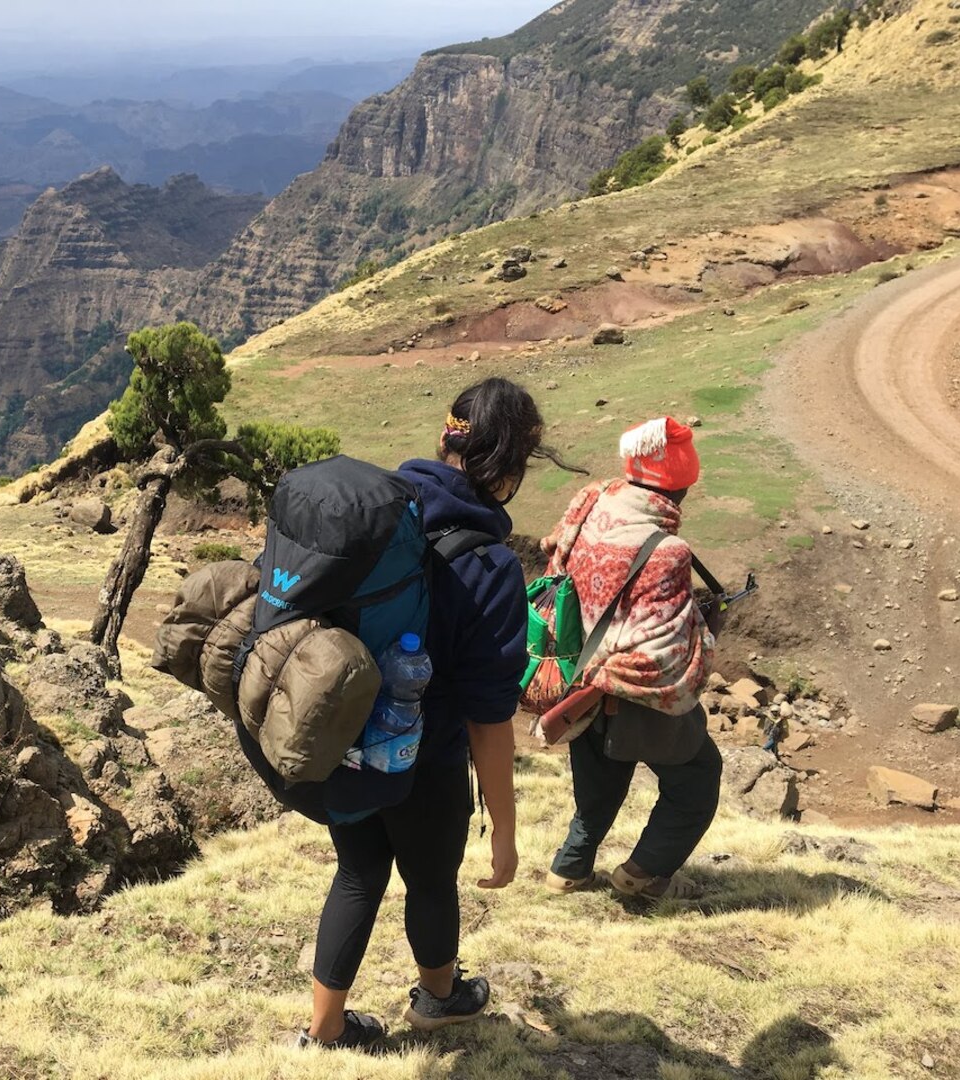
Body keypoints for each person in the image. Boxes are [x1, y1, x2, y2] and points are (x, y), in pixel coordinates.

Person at [299, 377, 568, 1051]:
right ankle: (440, 999)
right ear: (505, 470)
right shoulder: (491, 565)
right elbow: (488, 718)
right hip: (427, 760)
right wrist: (505, 831)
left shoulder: (379, 515)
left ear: (446, 440)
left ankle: (324, 1030)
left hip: (345, 739)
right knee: (430, 881)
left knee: (358, 873)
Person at [541, 416, 722, 902]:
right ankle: (642, 875)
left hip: (577, 681)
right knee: (697, 777)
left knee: (598, 788)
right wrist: (705, 631)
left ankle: (568, 871)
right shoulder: (670, 551)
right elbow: (663, 648)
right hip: (630, 693)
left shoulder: (592, 505)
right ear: (680, 487)